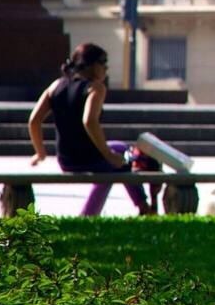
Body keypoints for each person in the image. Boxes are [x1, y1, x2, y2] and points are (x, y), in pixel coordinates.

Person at [26, 43, 156, 216]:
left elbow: (34, 120)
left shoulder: (56, 86)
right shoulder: (95, 88)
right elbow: (89, 120)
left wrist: (40, 153)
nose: (106, 70)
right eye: (104, 64)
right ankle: (140, 208)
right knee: (120, 161)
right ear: (94, 66)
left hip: (66, 160)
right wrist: (108, 154)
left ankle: (133, 208)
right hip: (87, 159)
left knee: (119, 150)